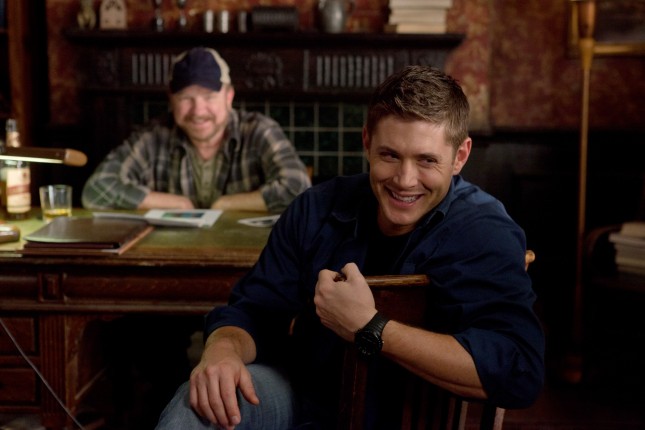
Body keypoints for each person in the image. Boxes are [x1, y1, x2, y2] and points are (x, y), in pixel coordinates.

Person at [155, 65, 545, 429]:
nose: (405, 180)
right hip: (304, 400)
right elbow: (253, 312)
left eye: (427, 160)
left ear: (460, 156)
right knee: (195, 404)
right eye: (390, 155)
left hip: (408, 418)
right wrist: (222, 350)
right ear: (367, 142)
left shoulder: (484, 229)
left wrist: (369, 327)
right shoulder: (315, 208)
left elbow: (518, 370)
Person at [82, 46, 311, 213]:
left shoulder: (259, 130)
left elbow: (299, 188)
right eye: (185, 98)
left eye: (209, 97)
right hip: (171, 256)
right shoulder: (153, 136)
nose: (198, 111)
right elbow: (95, 190)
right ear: (171, 99)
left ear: (229, 96)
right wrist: (177, 203)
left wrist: (225, 204)